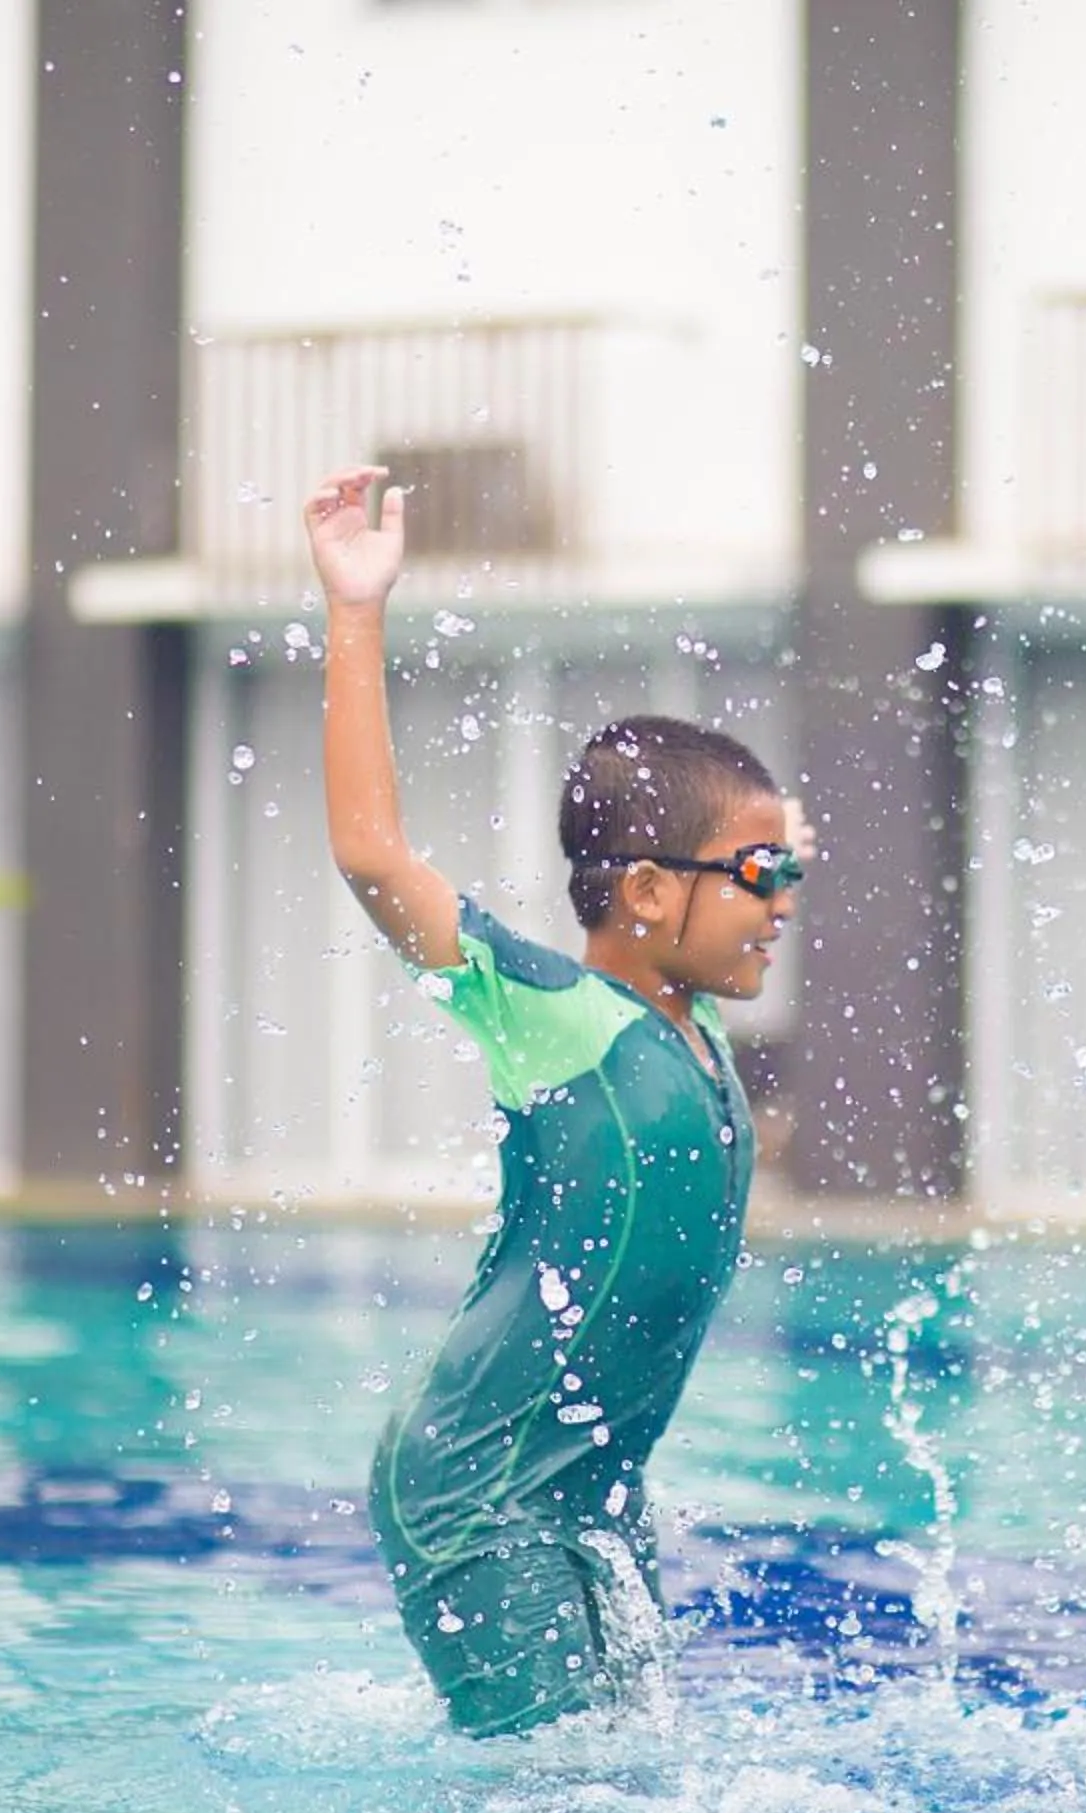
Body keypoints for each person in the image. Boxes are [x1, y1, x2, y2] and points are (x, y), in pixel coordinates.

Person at [309, 465, 806, 1736]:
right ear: (645, 890)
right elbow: (372, 853)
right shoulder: (551, 1016)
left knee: (635, 1771)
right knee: (568, 1808)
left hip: (593, 1493)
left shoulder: (700, 1041)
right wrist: (356, 610)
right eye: (760, 870)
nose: (783, 902)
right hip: (479, 1487)